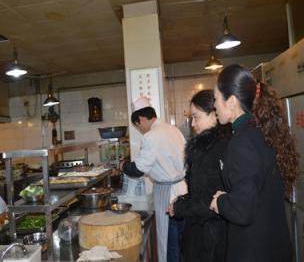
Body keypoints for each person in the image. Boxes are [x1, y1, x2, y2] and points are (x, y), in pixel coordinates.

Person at [209, 64, 299, 262]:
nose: (214, 105)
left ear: (231, 101)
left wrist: (220, 202)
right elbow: (255, 191)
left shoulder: (243, 142)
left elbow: (242, 211)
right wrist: (232, 197)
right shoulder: (260, 132)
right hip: (272, 244)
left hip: (255, 250)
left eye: (216, 99)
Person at [120, 97, 187, 262]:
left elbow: (138, 169)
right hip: (183, 190)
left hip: (167, 194)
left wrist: (123, 166)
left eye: (138, 126)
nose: (141, 130)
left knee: (169, 242)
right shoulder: (174, 130)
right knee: (182, 241)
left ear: (141, 119)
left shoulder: (152, 136)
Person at [168, 90, 229, 262]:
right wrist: (182, 200)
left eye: (197, 117)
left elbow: (212, 201)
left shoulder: (218, 149)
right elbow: (200, 191)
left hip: (211, 240)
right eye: (191, 118)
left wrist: (181, 208)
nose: (193, 124)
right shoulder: (205, 147)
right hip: (200, 233)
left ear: (214, 115)